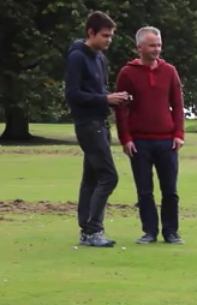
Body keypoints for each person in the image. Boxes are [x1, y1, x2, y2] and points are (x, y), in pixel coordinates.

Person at [64, 11, 131, 248]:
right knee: (108, 176)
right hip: (87, 124)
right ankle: (93, 230)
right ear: (90, 33)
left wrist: (114, 98)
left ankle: (87, 231)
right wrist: (105, 99)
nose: (108, 40)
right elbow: (72, 94)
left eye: (111, 36)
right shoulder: (77, 57)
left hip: (101, 122)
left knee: (91, 178)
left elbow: (98, 90)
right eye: (105, 36)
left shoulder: (100, 57)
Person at [114, 26, 186, 245]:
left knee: (170, 191)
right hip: (139, 141)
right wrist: (125, 138)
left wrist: (179, 133)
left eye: (159, 45)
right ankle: (149, 232)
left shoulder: (169, 71)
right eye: (152, 45)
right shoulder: (127, 73)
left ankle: (171, 232)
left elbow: (178, 103)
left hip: (166, 140)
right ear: (140, 48)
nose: (157, 49)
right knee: (145, 191)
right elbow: (120, 109)